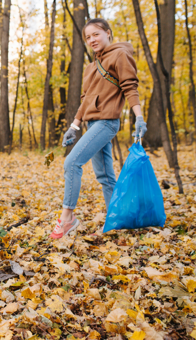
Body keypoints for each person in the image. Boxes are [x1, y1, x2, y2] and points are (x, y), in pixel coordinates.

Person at [50, 18, 148, 239]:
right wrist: (74, 126)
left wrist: (138, 117)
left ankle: (67, 219)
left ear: (108, 33)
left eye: (96, 34)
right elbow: (85, 100)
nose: (92, 40)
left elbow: (130, 87)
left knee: (72, 163)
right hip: (92, 124)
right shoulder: (90, 67)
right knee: (105, 176)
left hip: (107, 123)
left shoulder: (120, 54)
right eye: (88, 37)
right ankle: (118, 218)